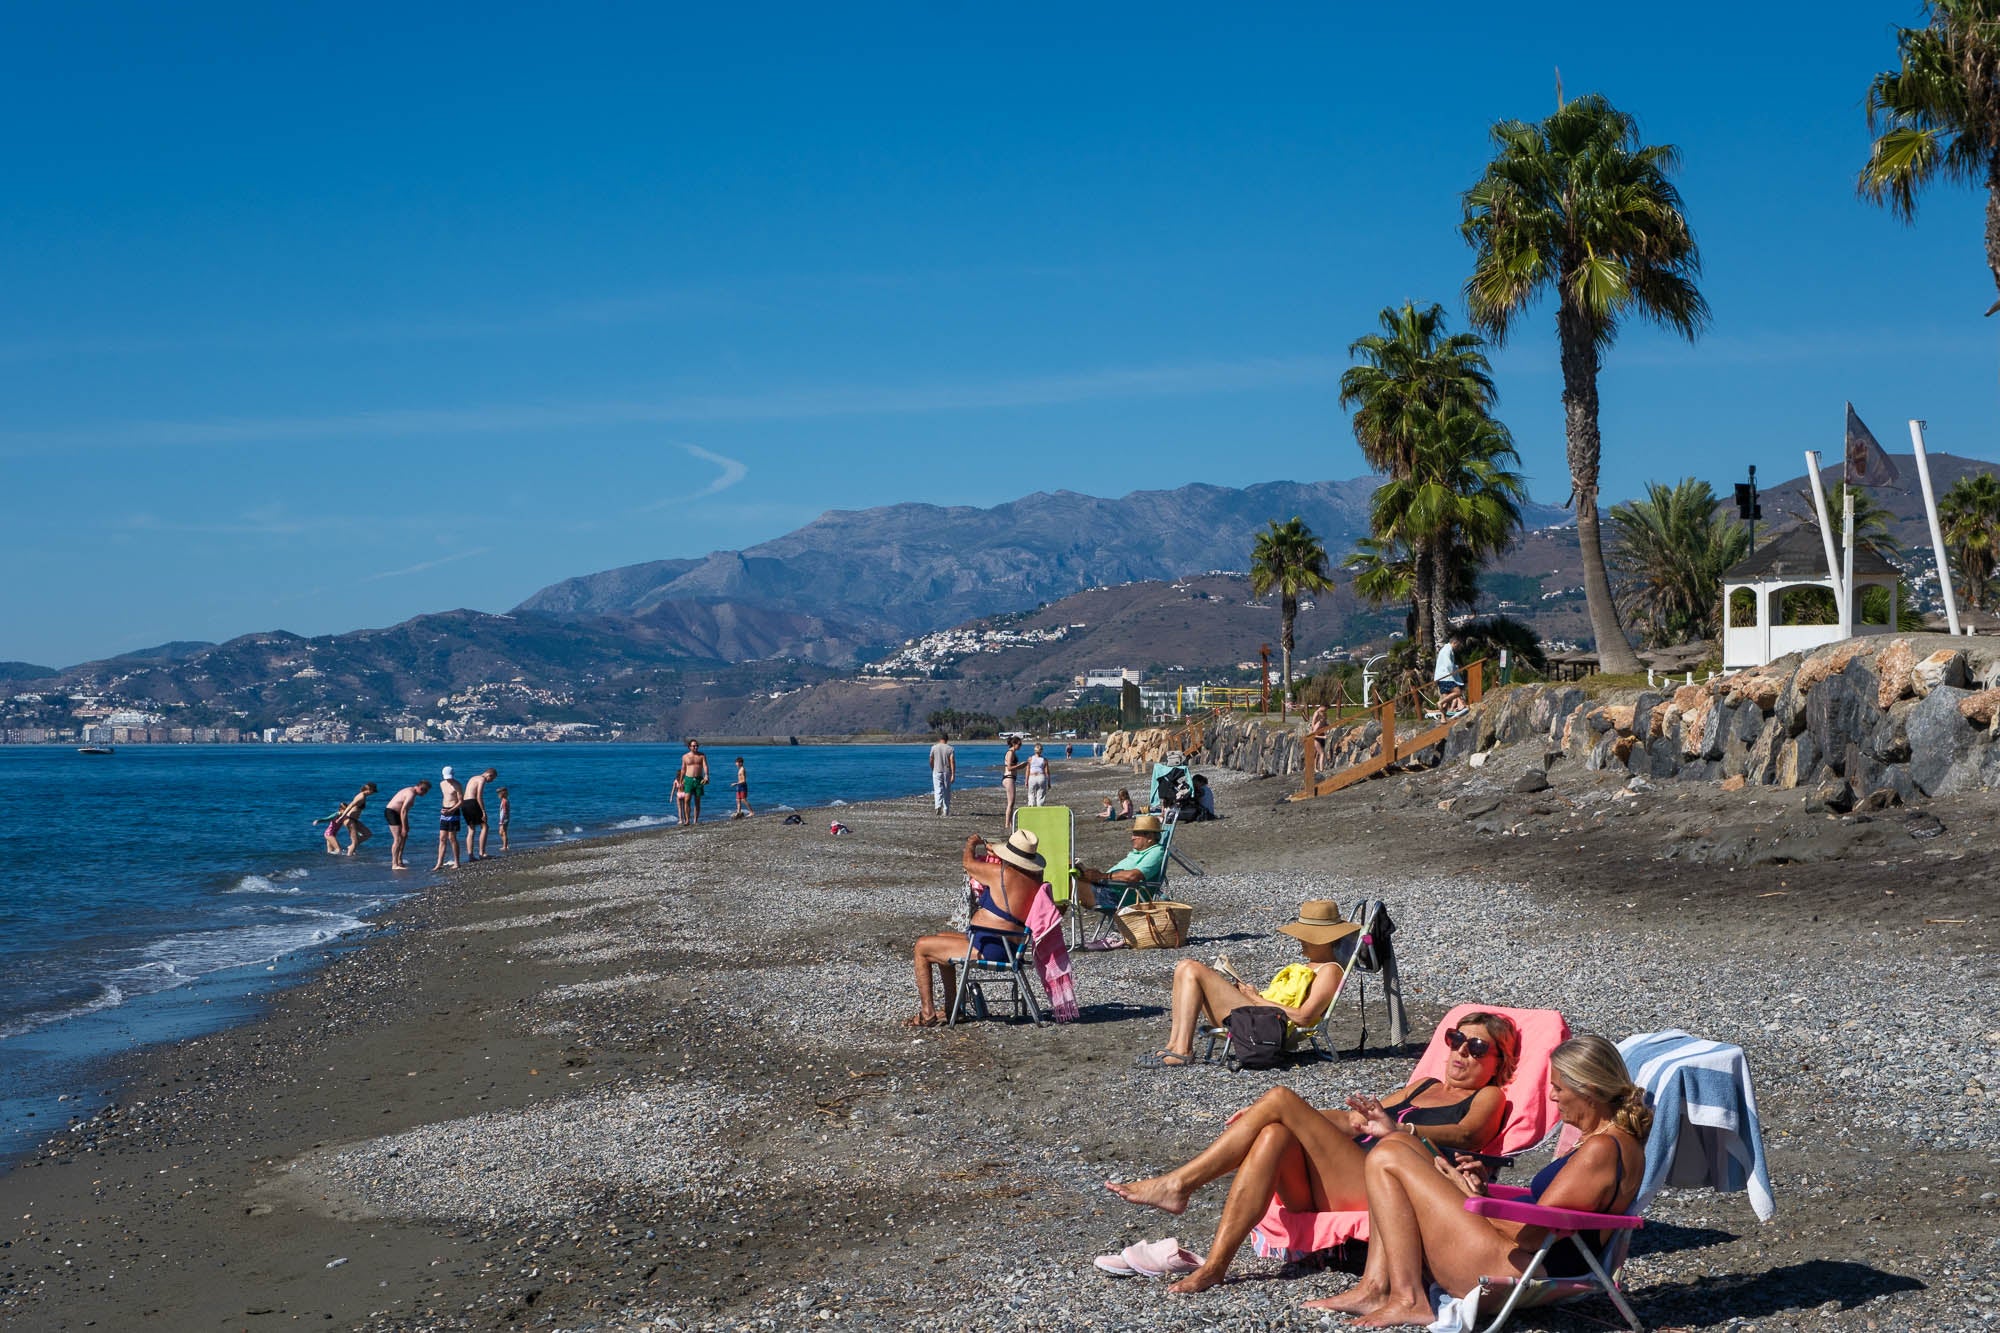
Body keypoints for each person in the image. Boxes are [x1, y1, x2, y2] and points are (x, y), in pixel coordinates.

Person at [1106, 1009, 1520, 1295]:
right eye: (1456, 1039)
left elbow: (1467, 1135)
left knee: (1281, 1098)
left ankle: (1178, 1185)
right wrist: (1281, 1116)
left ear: (1498, 1061)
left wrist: (1402, 1128)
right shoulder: (1423, 1085)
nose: (1461, 1052)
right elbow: (1354, 1119)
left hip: (1396, 1185)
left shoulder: (1489, 1095)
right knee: (1272, 1132)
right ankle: (1215, 1266)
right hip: (1350, 1175)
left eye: (1477, 1048)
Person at [1308, 1033, 1645, 1324]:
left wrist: (1471, 1200)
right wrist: (1482, 1194)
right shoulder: (1611, 1141)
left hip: (1523, 1264)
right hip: (1519, 1252)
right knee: (1398, 1141)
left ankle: (1407, 1298)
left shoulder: (1601, 1149)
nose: (1553, 1097)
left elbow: (1534, 1234)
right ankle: (1376, 1287)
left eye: (1558, 1088)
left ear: (1587, 1089)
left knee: (1388, 1154)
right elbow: (1549, 1212)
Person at [905, 828, 1046, 1027]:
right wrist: (996, 853)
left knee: (922, 946)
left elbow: (968, 864)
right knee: (941, 937)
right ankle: (953, 1008)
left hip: (992, 946)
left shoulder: (1002, 874)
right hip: (1011, 945)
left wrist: (971, 844)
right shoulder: (1035, 878)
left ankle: (927, 1013)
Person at [1073, 813, 1166, 910]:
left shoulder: (1156, 852)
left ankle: (1055, 921)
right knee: (1070, 872)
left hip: (1116, 897)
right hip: (1107, 888)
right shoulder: (1138, 852)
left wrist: (1102, 876)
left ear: (1150, 837)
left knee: (1067, 884)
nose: (1132, 838)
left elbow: (1133, 876)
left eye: (1136, 835)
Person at [383, 779, 431, 869]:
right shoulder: (410, 793)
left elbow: (404, 812)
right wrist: (404, 827)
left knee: (404, 836)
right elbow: (404, 810)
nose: (425, 794)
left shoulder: (412, 791)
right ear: (421, 788)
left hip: (398, 814)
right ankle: (394, 864)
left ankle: (399, 859)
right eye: (425, 792)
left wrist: (406, 825)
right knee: (398, 838)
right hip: (392, 813)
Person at [320, 782, 377, 856]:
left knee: (368, 834)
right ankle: (349, 857)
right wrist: (342, 817)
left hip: (354, 820)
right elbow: (350, 806)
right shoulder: (361, 797)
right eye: (373, 791)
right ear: (369, 789)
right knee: (355, 842)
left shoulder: (363, 796)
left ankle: (351, 847)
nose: (373, 793)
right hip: (350, 820)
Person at [462, 767, 497, 860]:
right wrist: (483, 811)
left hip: (464, 804)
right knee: (485, 826)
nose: (491, 781)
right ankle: (482, 853)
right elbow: (479, 796)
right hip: (472, 803)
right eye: (492, 779)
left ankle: (471, 856)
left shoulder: (473, 778)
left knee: (471, 830)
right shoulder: (482, 779)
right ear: (489, 775)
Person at [433, 766, 464, 871]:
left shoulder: (457, 785)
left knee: (452, 838)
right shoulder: (442, 784)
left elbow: (461, 801)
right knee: (442, 838)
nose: (448, 779)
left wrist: (451, 810)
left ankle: (457, 862)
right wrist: (443, 810)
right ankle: (439, 863)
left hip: (454, 811)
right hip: (444, 811)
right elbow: (445, 798)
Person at [676, 739, 710, 826]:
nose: (696, 747)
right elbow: (683, 769)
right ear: (689, 747)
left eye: (697, 745)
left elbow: (705, 766)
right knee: (687, 800)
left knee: (697, 801)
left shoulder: (702, 755)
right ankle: (687, 820)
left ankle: (695, 820)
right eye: (694, 746)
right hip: (688, 779)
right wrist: (680, 781)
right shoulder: (685, 757)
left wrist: (706, 775)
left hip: (699, 779)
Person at [1434, 631, 1467, 718]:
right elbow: (1448, 665)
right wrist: (1456, 670)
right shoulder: (1447, 650)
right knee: (1458, 692)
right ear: (1454, 643)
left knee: (1446, 700)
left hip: (1440, 678)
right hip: (1446, 677)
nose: (1458, 647)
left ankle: (1443, 718)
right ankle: (1440, 702)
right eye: (1458, 645)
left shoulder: (1445, 650)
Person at [928, 731, 956, 816]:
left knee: (938, 790)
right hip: (946, 771)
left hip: (936, 770)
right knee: (946, 791)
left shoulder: (934, 747)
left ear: (940, 739)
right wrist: (953, 774)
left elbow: (931, 760)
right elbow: (952, 761)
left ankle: (938, 806)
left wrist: (933, 768)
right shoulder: (950, 749)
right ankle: (946, 810)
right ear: (947, 739)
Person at [1000, 738, 1023, 828]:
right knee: (1010, 802)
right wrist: (1020, 766)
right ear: (1014, 744)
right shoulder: (1010, 753)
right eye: (1019, 744)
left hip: (1011, 778)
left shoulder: (1013, 753)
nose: (1020, 746)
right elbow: (1009, 767)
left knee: (1012, 802)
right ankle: (1007, 824)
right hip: (1009, 777)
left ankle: (1009, 823)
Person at [1026, 742, 1050, 807]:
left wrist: (1026, 781)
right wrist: (1049, 782)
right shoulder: (1044, 760)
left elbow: (1027, 770)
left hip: (1032, 776)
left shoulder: (1030, 759)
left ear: (1034, 750)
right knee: (1041, 794)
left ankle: (1031, 806)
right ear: (1041, 751)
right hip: (1041, 776)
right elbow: (1047, 772)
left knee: (1031, 793)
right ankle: (1040, 807)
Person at [495, 786, 511, 851]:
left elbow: (504, 811)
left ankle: (505, 846)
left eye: (499, 794)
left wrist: (501, 821)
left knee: (503, 832)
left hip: (504, 819)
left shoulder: (504, 801)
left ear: (502, 794)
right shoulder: (504, 800)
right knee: (501, 832)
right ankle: (505, 845)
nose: (498, 795)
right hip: (504, 818)